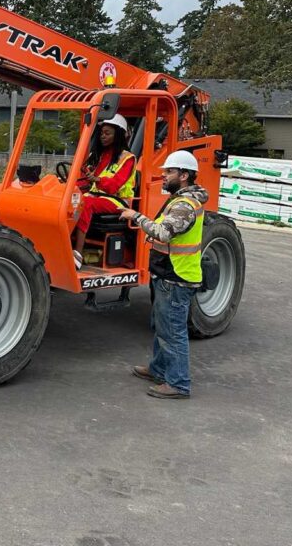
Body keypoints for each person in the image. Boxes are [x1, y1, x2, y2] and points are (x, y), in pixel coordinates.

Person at [119, 150, 208, 399]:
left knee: (172, 332)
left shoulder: (184, 205)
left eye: (169, 172)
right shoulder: (179, 200)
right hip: (167, 273)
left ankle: (178, 384)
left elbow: (164, 233)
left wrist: (136, 217)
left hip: (177, 277)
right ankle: (158, 369)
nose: (164, 176)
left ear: (184, 175)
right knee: (161, 326)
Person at [71, 114, 136, 268]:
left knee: (86, 203)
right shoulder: (98, 155)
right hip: (96, 195)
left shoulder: (128, 158)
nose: (103, 136)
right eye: (101, 133)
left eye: (107, 133)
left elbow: (114, 186)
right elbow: (84, 181)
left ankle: (77, 253)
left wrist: (97, 180)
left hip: (118, 200)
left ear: (118, 135)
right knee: (70, 199)